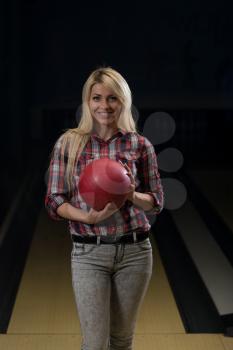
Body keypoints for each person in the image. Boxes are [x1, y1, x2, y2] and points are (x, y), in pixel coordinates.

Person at [45, 67, 164, 350]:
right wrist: (86, 216)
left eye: (112, 98)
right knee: (95, 343)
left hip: (135, 252)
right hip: (89, 253)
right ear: (87, 101)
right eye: (97, 98)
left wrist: (130, 192)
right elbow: (54, 200)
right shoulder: (69, 143)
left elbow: (157, 201)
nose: (104, 105)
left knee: (122, 341)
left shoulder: (140, 144)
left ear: (123, 101)